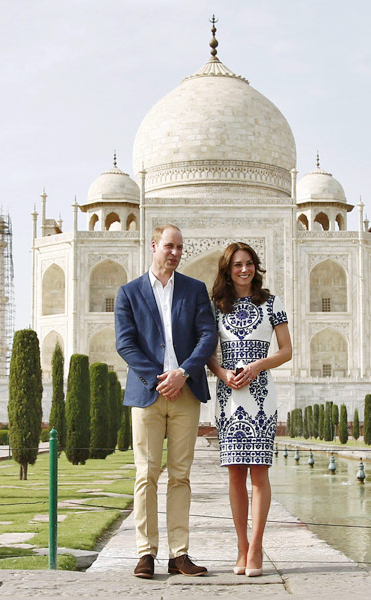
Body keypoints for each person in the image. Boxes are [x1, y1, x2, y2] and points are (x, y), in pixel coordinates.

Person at [114, 224, 218, 579]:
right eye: (169, 246)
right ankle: (146, 553)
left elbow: (208, 336)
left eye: (179, 248)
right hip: (148, 393)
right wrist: (161, 378)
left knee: (181, 476)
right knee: (146, 474)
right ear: (154, 245)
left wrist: (183, 373)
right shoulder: (128, 293)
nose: (174, 253)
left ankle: (179, 553)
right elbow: (125, 344)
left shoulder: (194, 289)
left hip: (186, 392)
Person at [207, 242, 292, 577]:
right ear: (227, 270)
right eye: (237, 265)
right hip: (228, 395)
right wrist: (222, 373)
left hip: (260, 394)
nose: (244, 270)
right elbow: (208, 351)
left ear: (256, 267)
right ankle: (241, 546)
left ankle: (256, 548)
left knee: (259, 473)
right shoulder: (217, 307)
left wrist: (258, 366)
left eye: (249, 263)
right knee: (235, 473)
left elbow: (286, 351)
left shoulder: (271, 303)